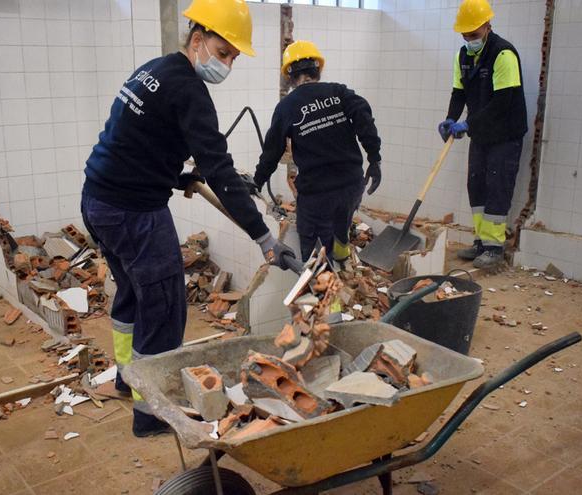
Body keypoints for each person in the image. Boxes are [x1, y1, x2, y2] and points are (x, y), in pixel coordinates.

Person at [81, 0, 294, 437]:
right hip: (134, 213)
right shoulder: (190, 92)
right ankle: (152, 414)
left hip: (98, 199)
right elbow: (220, 168)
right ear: (197, 40)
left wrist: (173, 175)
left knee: (134, 297)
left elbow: (131, 139)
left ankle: (128, 378)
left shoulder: (153, 70)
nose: (227, 62)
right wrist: (263, 237)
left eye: (233, 56)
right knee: (163, 308)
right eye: (223, 50)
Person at [251, 40, 381, 262]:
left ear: (290, 76)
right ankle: (341, 260)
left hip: (318, 194)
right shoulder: (338, 92)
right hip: (351, 185)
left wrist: (257, 181)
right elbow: (363, 116)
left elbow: (272, 151)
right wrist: (374, 158)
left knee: (313, 255)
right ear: (317, 69)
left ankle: (321, 287)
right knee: (341, 228)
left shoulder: (287, 106)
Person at [438, 0, 527, 269]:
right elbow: (459, 92)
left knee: (497, 185)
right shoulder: (463, 56)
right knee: (475, 183)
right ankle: (481, 241)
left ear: (487, 26)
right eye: (465, 35)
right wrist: (451, 118)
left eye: (473, 35)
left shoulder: (503, 54)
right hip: (481, 132)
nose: (469, 39)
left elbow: (503, 101)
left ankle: (494, 247)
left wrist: (468, 125)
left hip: (505, 133)